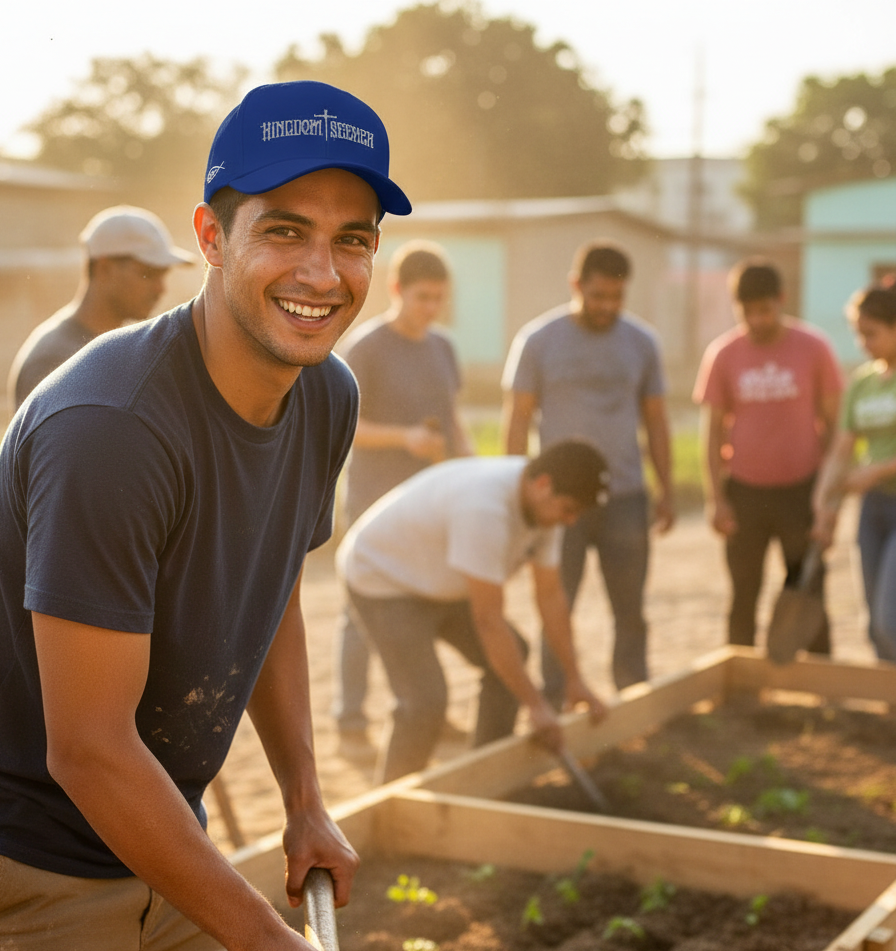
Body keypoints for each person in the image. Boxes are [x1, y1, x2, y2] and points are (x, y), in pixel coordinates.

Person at [0, 79, 411, 951]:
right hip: (17, 855)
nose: (322, 273)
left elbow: (272, 586)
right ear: (211, 240)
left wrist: (303, 796)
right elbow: (85, 747)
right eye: (284, 231)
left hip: (160, 834)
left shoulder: (325, 393)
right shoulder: (113, 427)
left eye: (353, 239)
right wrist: (258, 936)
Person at [337, 439, 610, 784]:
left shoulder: (546, 512)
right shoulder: (486, 509)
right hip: (384, 577)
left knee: (513, 658)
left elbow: (551, 597)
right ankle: (391, 806)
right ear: (543, 485)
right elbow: (489, 620)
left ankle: (484, 779)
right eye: (569, 509)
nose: (570, 521)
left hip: (441, 575)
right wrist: (537, 705)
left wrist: (574, 678)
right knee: (425, 701)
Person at [501, 241, 674, 705]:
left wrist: (667, 489)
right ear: (576, 285)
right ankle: (556, 699)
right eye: (598, 296)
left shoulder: (642, 342)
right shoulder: (538, 340)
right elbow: (518, 417)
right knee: (558, 604)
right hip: (559, 502)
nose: (607, 307)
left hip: (626, 497)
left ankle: (633, 694)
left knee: (631, 609)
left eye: (617, 297)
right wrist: (514, 489)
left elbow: (657, 419)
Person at [333, 239, 474, 757]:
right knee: (361, 612)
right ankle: (350, 722)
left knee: (425, 600)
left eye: (439, 298)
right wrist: (404, 438)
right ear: (395, 290)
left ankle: (421, 704)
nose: (431, 308)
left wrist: (467, 460)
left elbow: (452, 415)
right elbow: (344, 426)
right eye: (422, 297)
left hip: (430, 504)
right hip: (373, 499)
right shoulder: (365, 348)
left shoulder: (443, 348)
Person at [693, 258, 843, 652]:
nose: (757, 319)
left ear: (781, 299)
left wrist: (828, 499)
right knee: (744, 591)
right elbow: (711, 432)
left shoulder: (813, 348)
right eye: (747, 312)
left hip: (801, 490)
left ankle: (819, 681)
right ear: (735, 307)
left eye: (765, 309)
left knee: (807, 587)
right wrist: (716, 498)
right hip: (745, 492)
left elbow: (835, 430)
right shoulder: (724, 354)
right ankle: (741, 684)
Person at [7, 205, 196, 410]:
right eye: (148, 273)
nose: (161, 289)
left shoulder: (120, 350)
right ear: (104, 268)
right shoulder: (55, 359)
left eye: (163, 275)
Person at [814, 278, 896, 660]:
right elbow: (841, 449)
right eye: (858, 334)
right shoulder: (863, 384)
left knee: (889, 618)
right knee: (872, 623)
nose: (863, 343)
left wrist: (876, 470)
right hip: (874, 507)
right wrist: (824, 502)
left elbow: (866, 465)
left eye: (871, 333)